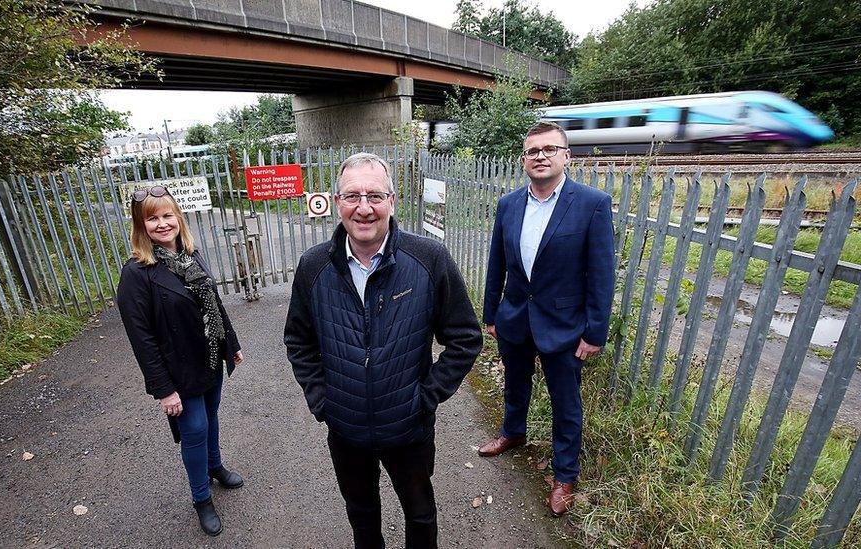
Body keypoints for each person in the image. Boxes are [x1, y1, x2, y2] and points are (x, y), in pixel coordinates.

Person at [284, 152, 482, 549]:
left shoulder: (428, 259)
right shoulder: (313, 266)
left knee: (420, 513)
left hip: (408, 427)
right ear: (336, 201)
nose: (364, 208)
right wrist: (323, 400)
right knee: (361, 515)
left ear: (393, 201)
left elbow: (464, 338)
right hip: (346, 429)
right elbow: (298, 341)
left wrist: (424, 398)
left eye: (375, 195)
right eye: (352, 196)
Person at [478, 122, 615, 516]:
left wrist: (595, 332)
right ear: (523, 159)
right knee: (515, 384)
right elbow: (497, 263)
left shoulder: (592, 203)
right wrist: (492, 313)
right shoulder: (509, 204)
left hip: (566, 327)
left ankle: (565, 474)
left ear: (566, 156)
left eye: (549, 149)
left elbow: (602, 274)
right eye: (532, 151)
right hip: (516, 318)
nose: (540, 156)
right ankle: (512, 433)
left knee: (566, 403)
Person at [116, 185, 245, 536]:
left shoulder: (191, 254)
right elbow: (141, 340)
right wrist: (164, 390)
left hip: (210, 359)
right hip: (179, 371)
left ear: (178, 217)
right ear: (141, 227)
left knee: (212, 417)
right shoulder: (136, 274)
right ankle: (201, 498)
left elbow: (213, 304)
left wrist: (230, 343)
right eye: (152, 218)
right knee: (195, 429)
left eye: (167, 215)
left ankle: (215, 466)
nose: (162, 224)